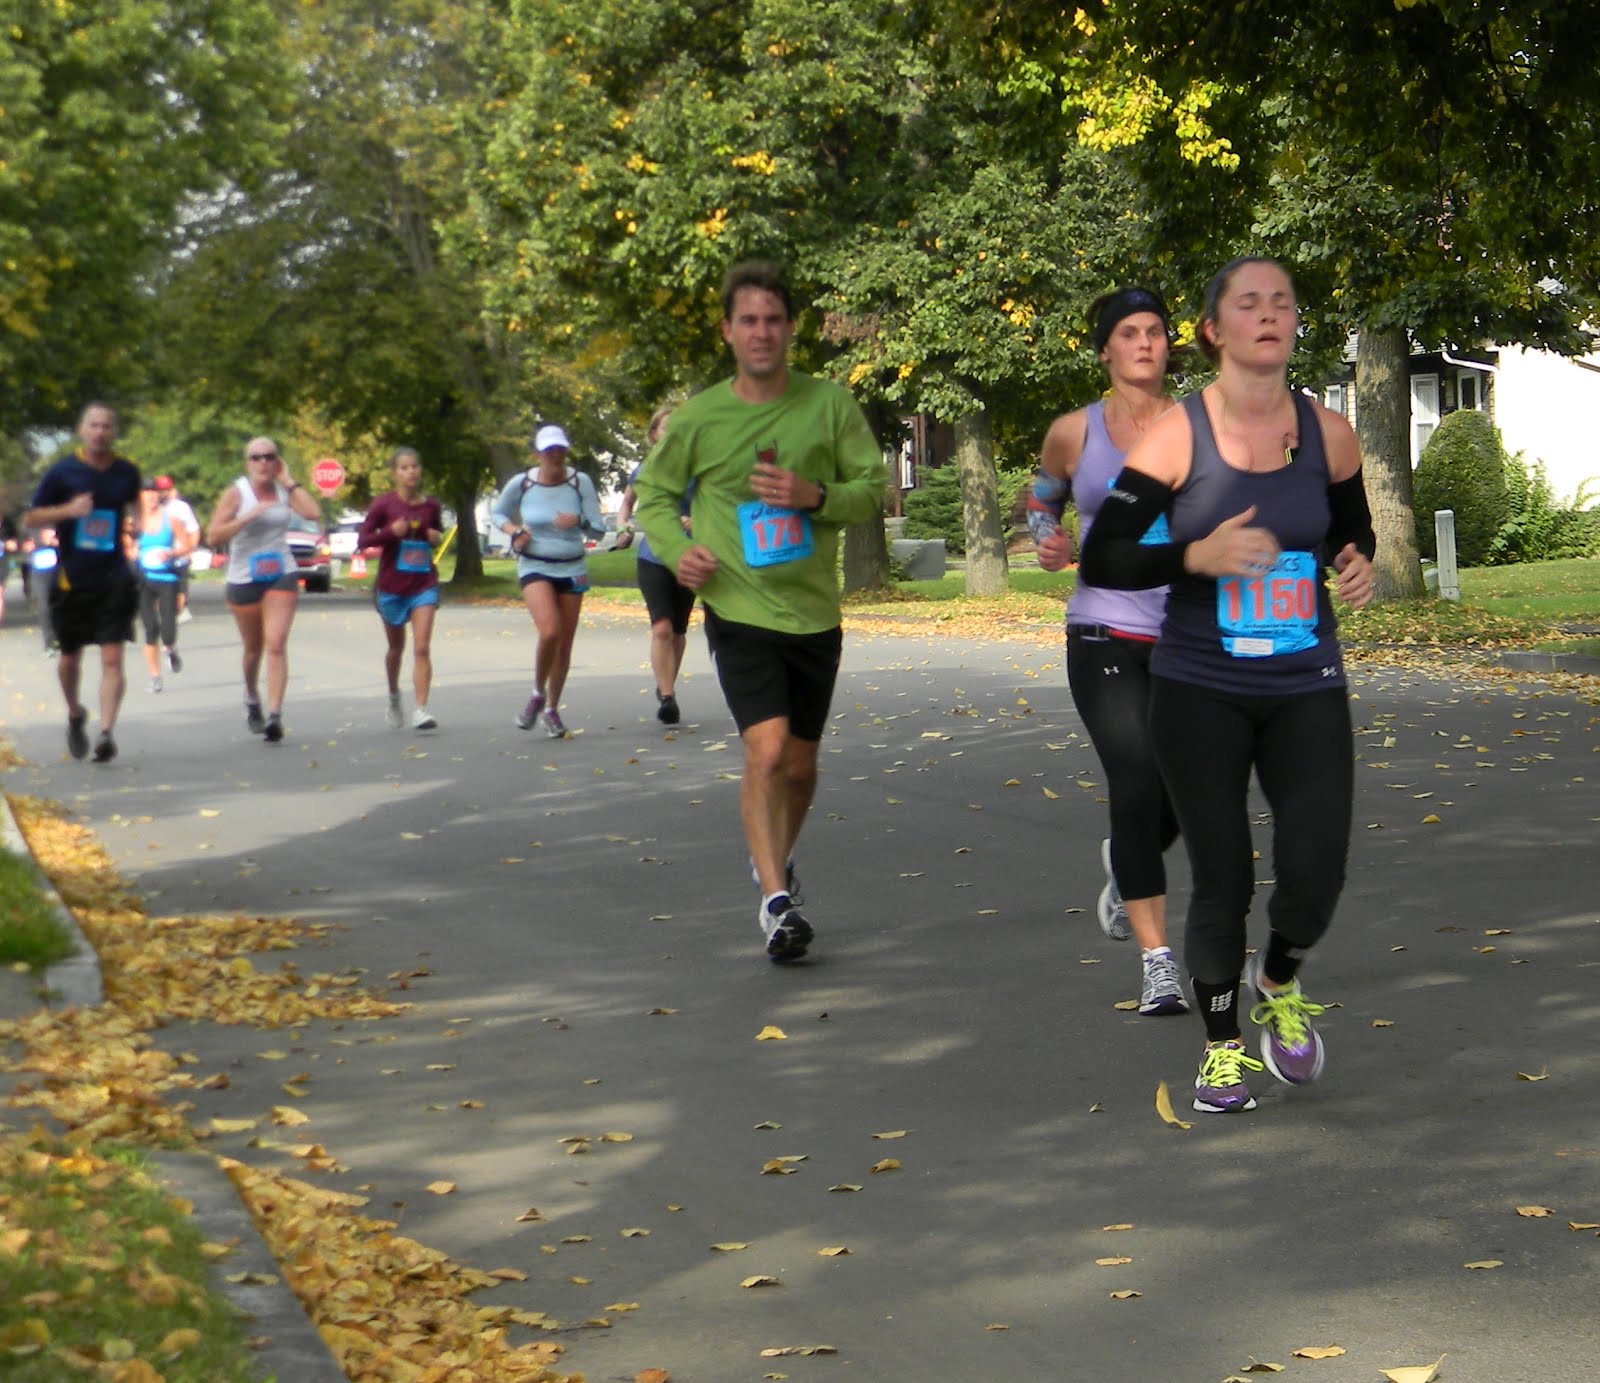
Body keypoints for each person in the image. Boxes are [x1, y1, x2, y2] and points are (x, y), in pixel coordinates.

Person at [1079, 256, 1377, 1114]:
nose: (1269, 314)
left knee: (1315, 874)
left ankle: (1276, 977)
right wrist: (1193, 555)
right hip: (1198, 685)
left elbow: (1349, 533)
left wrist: (1358, 565)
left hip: (1304, 683)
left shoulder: (1329, 433)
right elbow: (1105, 553)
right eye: (1248, 303)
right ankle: (1220, 1049)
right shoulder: (1178, 435)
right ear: (1213, 330)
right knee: (1225, 877)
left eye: (1282, 300)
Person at [634, 259, 887, 963]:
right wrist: (676, 547)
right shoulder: (700, 417)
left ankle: (772, 855)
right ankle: (776, 902)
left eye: (774, 319)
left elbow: (870, 489)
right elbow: (654, 495)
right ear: (728, 330)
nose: (762, 332)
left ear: (791, 328)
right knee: (767, 748)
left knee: (802, 766)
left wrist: (816, 496)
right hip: (737, 604)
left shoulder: (828, 405)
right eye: (749, 320)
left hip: (812, 610)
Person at [1030, 287, 1187, 1016]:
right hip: (1104, 628)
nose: (1146, 343)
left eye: (1156, 331)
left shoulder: (1202, 426)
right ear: (1107, 349)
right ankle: (1159, 962)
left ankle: (1128, 861)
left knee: (1185, 789)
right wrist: (1046, 541)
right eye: (1130, 333)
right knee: (1134, 777)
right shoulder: (1075, 432)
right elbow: (1042, 499)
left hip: (1188, 631)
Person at [23, 402, 143, 762]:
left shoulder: (126, 472)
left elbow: (138, 508)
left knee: (112, 656)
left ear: (114, 431)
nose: (100, 432)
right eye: (94, 425)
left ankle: (106, 732)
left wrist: (138, 529)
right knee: (70, 658)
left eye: (107, 426)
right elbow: (31, 516)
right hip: (71, 577)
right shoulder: (63, 472)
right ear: (81, 429)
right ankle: (75, 712)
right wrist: (68, 511)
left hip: (114, 575)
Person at [491, 425, 607, 737]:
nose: (555, 456)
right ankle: (536, 694)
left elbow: (597, 530)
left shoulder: (579, 482)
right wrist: (515, 531)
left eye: (560, 450)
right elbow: (498, 514)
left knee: (565, 642)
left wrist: (579, 521)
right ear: (538, 453)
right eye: (549, 450)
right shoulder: (523, 482)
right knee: (550, 630)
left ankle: (552, 709)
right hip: (535, 564)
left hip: (571, 566)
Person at [206, 437, 323, 743]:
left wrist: (289, 480)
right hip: (244, 577)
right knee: (253, 649)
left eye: (269, 457)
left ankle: (274, 715)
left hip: (280, 572)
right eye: (256, 458)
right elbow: (213, 535)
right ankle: (251, 695)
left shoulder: (285, 491)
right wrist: (249, 516)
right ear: (248, 463)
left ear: (277, 461)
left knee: (276, 644)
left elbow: (313, 513)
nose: (262, 463)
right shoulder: (236, 493)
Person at [615, 406, 697, 725]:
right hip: (653, 557)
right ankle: (667, 696)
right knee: (661, 627)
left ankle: (667, 686)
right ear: (654, 435)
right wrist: (623, 527)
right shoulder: (644, 470)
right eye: (666, 427)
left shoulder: (697, 470)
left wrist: (697, 520)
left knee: (677, 632)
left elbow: (716, 508)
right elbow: (626, 504)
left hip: (687, 557)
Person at [358, 446, 444, 730]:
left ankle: (421, 709)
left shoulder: (431, 505)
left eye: (415, 467)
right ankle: (394, 695)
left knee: (422, 647)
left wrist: (435, 537)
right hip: (392, 585)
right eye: (404, 468)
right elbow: (364, 540)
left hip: (424, 584)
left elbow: (437, 534)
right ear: (395, 473)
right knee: (396, 648)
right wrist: (389, 534)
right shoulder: (384, 505)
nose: (411, 472)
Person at [136, 480, 195, 692]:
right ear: (140, 496)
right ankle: (155, 676)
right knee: (150, 628)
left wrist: (171, 553)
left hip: (167, 579)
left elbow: (187, 545)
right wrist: (130, 551)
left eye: (154, 493)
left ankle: (170, 648)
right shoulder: (135, 522)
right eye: (147, 493)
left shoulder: (171, 520)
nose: (151, 497)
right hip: (144, 580)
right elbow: (123, 544)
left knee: (168, 628)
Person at [159, 477, 202, 624]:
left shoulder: (181, 507)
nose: (161, 493)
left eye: (165, 490)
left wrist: (191, 549)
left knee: (180, 585)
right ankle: (169, 610)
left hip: (181, 553)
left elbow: (194, 529)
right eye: (159, 490)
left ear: (170, 490)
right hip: (160, 556)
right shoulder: (152, 507)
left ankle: (180, 610)